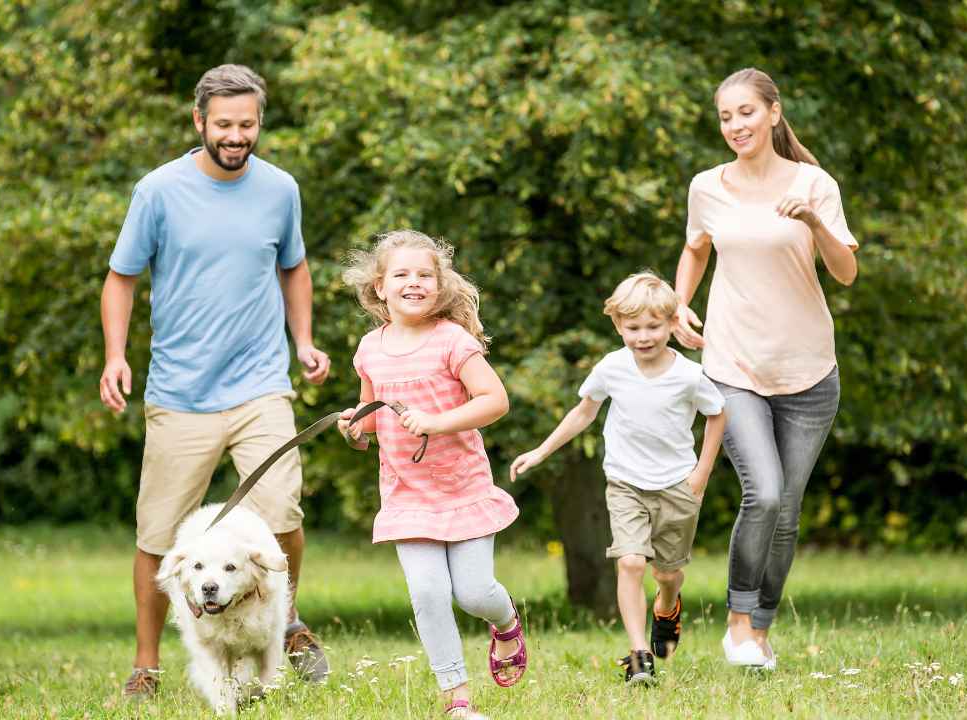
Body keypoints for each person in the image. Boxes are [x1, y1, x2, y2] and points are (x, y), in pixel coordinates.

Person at [98, 64, 332, 698]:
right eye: (224, 124)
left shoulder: (280, 188)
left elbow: (295, 267)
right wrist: (115, 355)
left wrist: (303, 342)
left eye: (248, 124)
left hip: (261, 384)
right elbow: (121, 278)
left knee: (283, 510)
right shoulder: (158, 191)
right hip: (180, 395)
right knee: (159, 533)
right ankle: (146, 666)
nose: (236, 136)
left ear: (260, 123)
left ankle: (287, 623)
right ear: (198, 120)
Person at [674, 67, 859, 670]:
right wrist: (680, 303)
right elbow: (695, 246)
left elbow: (846, 272)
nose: (735, 126)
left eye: (746, 113)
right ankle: (737, 622)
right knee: (766, 492)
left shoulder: (813, 183)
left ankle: (760, 626)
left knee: (788, 511)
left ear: (774, 113)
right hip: (733, 362)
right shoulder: (708, 186)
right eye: (725, 116)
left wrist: (811, 220)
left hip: (809, 370)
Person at [336, 230, 526, 720]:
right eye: (401, 274)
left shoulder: (451, 340)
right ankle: (456, 699)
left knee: (473, 593)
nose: (414, 283)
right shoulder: (369, 348)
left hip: (462, 489)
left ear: (439, 286)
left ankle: (505, 622)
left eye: (425, 275)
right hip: (406, 495)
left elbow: (495, 400)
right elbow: (371, 413)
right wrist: (355, 427)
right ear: (380, 287)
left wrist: (438, 421)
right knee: (427, 593)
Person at [511, 271, 726, 685]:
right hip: (625, 482)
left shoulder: (688, 374)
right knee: (629, 562)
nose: (643, 336)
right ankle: (639, 653)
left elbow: (717, 413)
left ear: (670, 324)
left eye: (653, 326)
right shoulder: (612, 367)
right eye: (633, 328)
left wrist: (701, 472)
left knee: (666, 573)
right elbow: (583, 413)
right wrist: (540, 450)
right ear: (618, 326)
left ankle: (668, 606)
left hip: (678, 485)